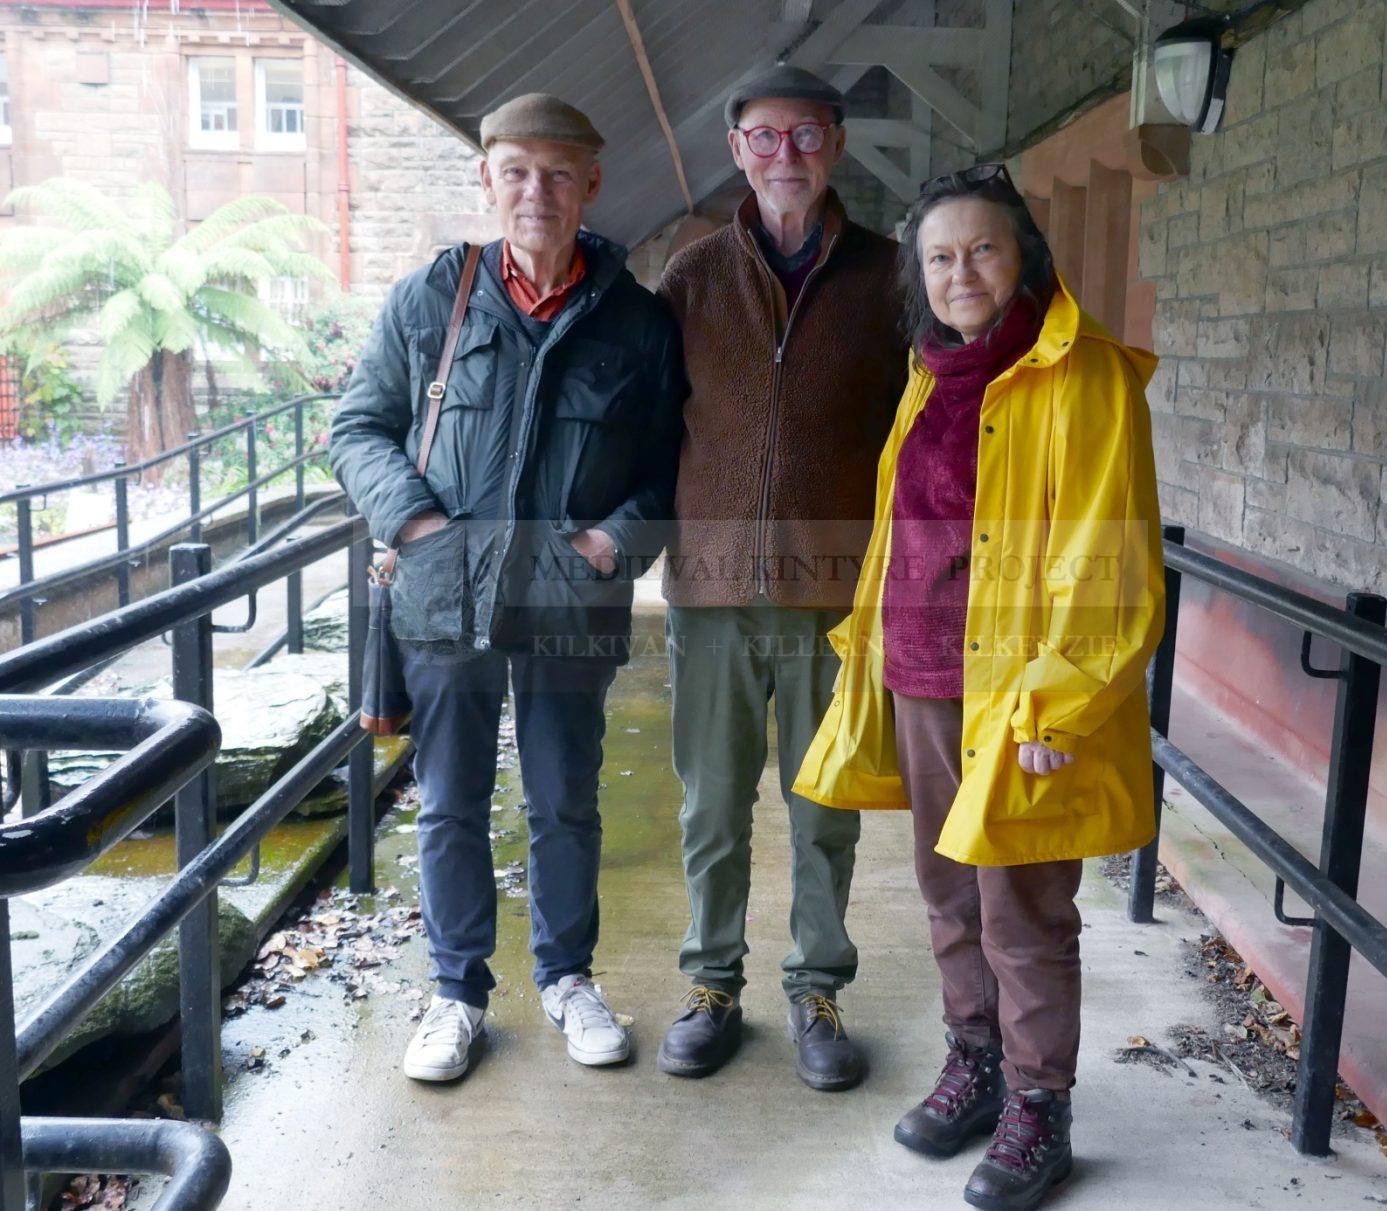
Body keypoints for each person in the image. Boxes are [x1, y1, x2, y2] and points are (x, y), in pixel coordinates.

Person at [792, 164, 1165, 1210]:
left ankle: (1040, 1104)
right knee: (949, 895)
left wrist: (1059, 705)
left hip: (1018, 691)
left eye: (984, 250)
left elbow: (1109, 556)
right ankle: (977, 1063)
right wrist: (867, 641)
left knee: (1025, 909)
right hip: (920, 674)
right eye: (941, 257)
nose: (962, 272)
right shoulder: (929, 370)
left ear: (1026, 259)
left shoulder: (1084, 375)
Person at [330, 93, 684, 1082]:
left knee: (566, 796)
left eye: (559, 173)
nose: (538, 191)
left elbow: (667, 470)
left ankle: (568, 977)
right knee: (448, 800)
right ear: (486, 179)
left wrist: (616, 543)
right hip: (444, 599)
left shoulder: (639, 322)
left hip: (571, 602)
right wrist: (418, 523)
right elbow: (356, 427)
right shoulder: (430, 301)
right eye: (517, 171)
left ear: (592, 186)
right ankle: (455, 994)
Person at [654, 66, 907, 1090]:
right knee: (711, 806)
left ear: (836, 144)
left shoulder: (894, 275)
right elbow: (647, 417)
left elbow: (919, 428)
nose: (785, 157)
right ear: (736, 149)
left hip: (832, 596)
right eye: (764, 138)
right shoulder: (692, 276)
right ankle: (713, 982)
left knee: (822, 806)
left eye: (804, 136)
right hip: (710, 591)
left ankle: (817, 987)